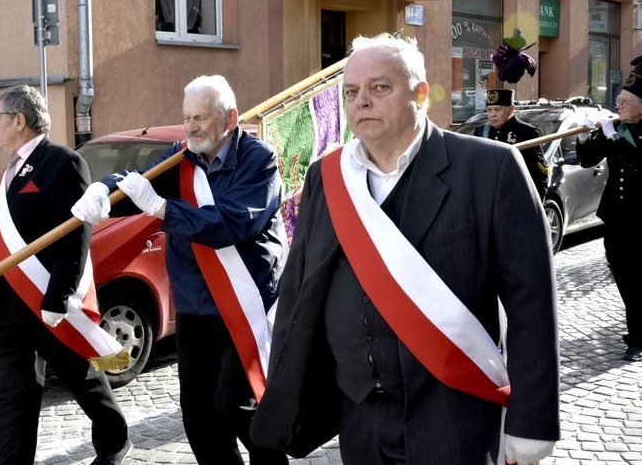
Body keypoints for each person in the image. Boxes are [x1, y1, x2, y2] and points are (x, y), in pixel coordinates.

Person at [250, 34, 560, 464]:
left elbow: (532, 303)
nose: (361, 102)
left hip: (455, 415)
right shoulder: (327, 177)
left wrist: (532, 422)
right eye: (352, 92)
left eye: (380, 88)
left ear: (421, 94)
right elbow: (301, 289)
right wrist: (284, 396)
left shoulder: (490, 169)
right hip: (359, 419)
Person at [71, 75, 289, 465]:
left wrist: (163, 209)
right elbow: (140, 184)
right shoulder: (183, 156)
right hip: (194, 306)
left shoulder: (260, 161)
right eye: (187, 117)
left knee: (240, 407)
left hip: (245, 305)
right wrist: (104, 190)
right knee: (200, 416)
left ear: (230, 118)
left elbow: (233, 224)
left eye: (201, 118)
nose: (191, 127)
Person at [0, 85, 130, 465]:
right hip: (7, 306)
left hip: (45, 301)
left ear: (19, 120)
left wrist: (59, 296)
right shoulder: (10, 167)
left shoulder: (63, 162)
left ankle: (115, 440)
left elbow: (76, 234)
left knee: (82, 378)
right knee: (13, 396)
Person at [576, 57, 642, 362]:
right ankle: (637, 330)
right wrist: (585, 136)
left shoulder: (620, 132)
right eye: (619, 100)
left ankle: (637, 339)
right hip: (616, 218)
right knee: (625, 276)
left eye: (627, 102)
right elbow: (588, 160)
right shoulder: (613, 127)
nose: (620, 106)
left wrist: (614, 137)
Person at [475, 88, 549, 200]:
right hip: (489, 198)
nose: (492, 115)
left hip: (516, 197)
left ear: (511, 110)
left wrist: (535, 206)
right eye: (489, 110)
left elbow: (539, 175)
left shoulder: (527, 132)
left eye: (497, 110)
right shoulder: (481, 131)